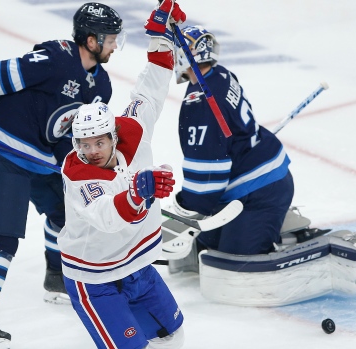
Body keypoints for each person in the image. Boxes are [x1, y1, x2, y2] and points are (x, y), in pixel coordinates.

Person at [0, 3, 125, 348]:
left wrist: (78, 168)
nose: (115, 46)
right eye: (110, 39)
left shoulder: (101, 85)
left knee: (67, 213)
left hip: (39, 156)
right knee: (2, 236)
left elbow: (69, 134)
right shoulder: (55, 59)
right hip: (3, 150)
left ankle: (56, 278)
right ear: (92, 40)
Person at [57, 1, 187, 348]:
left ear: (114, 136)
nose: (92, 150)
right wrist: (138, 193)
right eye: (84, 144)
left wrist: (161, 37)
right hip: (95, 279)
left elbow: (151, 89)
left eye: (99, 142)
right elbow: (108, 217)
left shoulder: (133, 129)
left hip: (139, 267)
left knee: (173, 335)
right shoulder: (79, 176)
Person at [171, 25, 294, 256]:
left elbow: (208, 173)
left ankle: (278, 235)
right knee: (207, 246)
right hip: (247, 180)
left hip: (261, 190)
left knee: (233, 262)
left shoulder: (201, 102)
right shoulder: (217, 75)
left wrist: (186, 209)